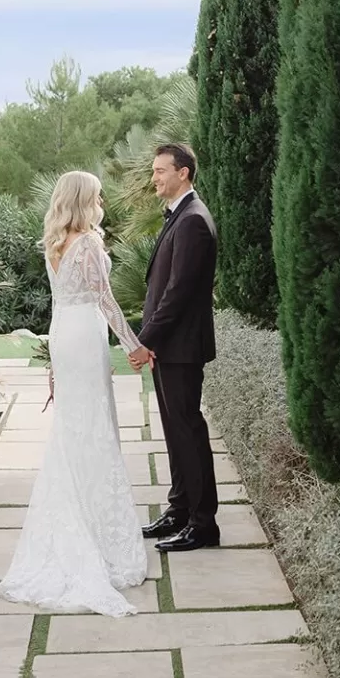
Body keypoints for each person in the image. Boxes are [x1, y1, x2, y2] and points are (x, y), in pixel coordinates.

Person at [0, 171, 148, 616]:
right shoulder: (89, 243)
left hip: (64, 333)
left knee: (74, 426)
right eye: (98, 194)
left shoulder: (55, 243)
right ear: (85, 200)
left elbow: (61, 300)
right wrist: (134, 345)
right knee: (95, 424)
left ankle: (81, 520)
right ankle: (100, 538)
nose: (103, 200)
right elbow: (105, 300)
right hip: (85, 334)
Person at [129, 142, 219, 551]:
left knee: (188, 432)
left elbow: (178, 293)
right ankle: (180, 510)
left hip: (181, 347)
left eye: (161, 171)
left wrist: (144, 341)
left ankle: (203, 525)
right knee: (174, 432)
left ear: (183, 172)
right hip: (171, 348)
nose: (155, 178)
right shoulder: (179, 216)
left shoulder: (193, 221)